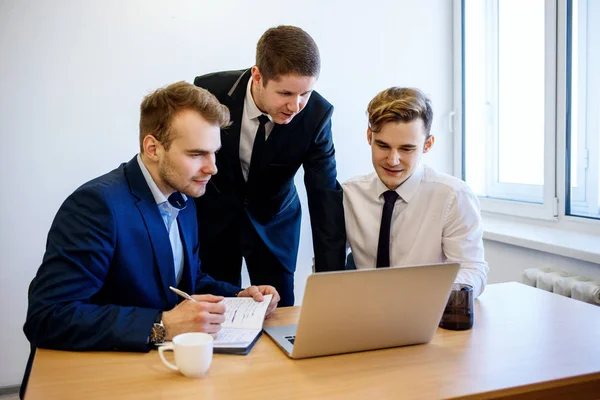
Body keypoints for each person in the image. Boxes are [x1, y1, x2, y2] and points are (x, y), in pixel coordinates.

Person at [23, 81, 280, 353]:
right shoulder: (96, 206)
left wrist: (238, 296)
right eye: (197, 154)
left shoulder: (184, 194)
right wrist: (163, 324)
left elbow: (183, 280)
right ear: (153, 148)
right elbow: (48, 317)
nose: (212, 168)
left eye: (214, 153)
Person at [193, 25, 346, 306]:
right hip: (214, 222)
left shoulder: (317, 115)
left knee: (279, 316)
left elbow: (325, 196)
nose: (295, 106)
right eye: (285, 93)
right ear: (258, 76)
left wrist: (331, 282)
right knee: (218, 315)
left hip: (275, 226)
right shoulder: (209, 91)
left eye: (305, 93)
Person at [342, 87, 488, 297]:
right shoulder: (349, 194)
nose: (393, 160)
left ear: (427, 145)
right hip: (365, 315)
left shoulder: (453, 196)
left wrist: (420, 296)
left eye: (406, 149)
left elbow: (473, 270)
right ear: (369, 137)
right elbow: (327, 266)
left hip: (429, 316)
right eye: (383, 145)